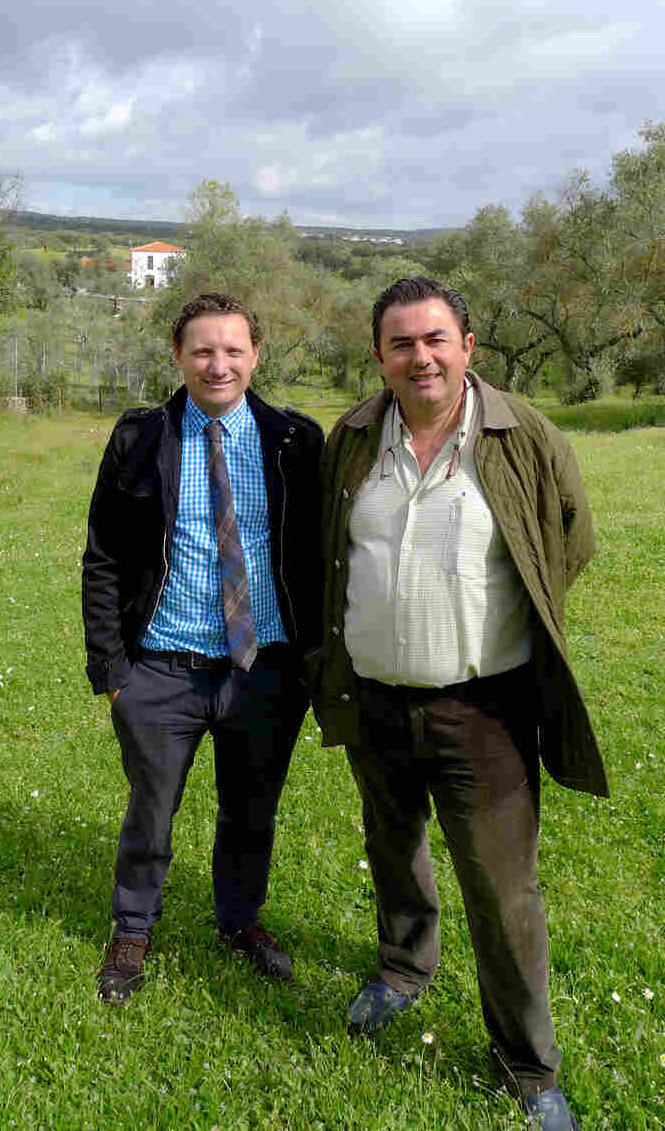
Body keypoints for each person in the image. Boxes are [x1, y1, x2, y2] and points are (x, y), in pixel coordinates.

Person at [308, 276, 608, 1130]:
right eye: (401, 343)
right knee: (392, 842)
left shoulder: (523, 435)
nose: (421, 356)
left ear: (468, 347)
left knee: (503, 890)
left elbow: (569, 537)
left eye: (436, 339)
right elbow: (328, 550)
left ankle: (527, 1063)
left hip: (487, 709)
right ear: (379, 356)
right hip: (374, 698)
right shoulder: (355, 438)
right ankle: (404, 967)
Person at [83, 292, 323, 1004]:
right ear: (178, 355)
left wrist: (312, 662)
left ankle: (240, 920)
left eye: (233, 350)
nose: (219, 365)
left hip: (265, 671)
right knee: (150, 812)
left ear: (255, 355)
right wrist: (113, 673)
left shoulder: (294, 441)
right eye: (202, 351)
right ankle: (133, 927)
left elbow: (318, 556)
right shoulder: (139, 438)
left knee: (252, 810)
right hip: (161, 671)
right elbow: (102, 558)